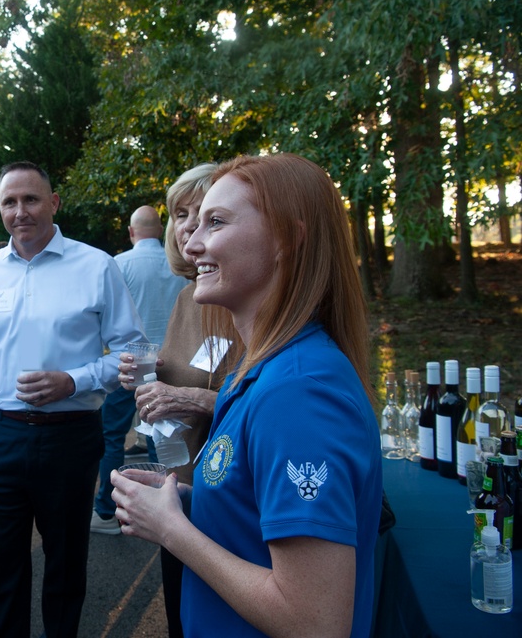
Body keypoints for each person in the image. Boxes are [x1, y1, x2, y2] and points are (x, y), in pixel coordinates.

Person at [112, 153, 383, 638]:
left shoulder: (300, 394)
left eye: (214, 222)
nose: (191, 243)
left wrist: (173, 530)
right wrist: (187, 502)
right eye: (190, 224)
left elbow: (315, 622)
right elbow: (255, 509)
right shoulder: (265, 369)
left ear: (286, 239)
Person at [0, 161, 144, 638]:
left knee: (65, 571)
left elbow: (134, 354)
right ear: (0, 209)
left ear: (54, 203)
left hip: (69, 438)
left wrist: (75, 380)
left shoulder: (95, 265)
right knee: (1, 574)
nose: (21, 211)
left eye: (31, 199)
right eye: (9, 202)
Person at [119, 164, 236, 637]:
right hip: (181, 477)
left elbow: (263, 396)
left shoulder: (242, 295)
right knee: (181, 615)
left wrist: (184, 395)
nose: (189, 224)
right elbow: (182, 364)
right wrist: (147, 371)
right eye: (181, 213)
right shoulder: (191, 295)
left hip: (226, 489)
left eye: (205, 211)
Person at [91, 205, 186, 535]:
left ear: (131, 233)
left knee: (112, 434)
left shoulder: (119, 264)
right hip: (172, 361)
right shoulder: (179, 264)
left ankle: (106, 509)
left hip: (131, 363)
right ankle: (170, 505)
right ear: (160, 230)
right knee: (165, 434)